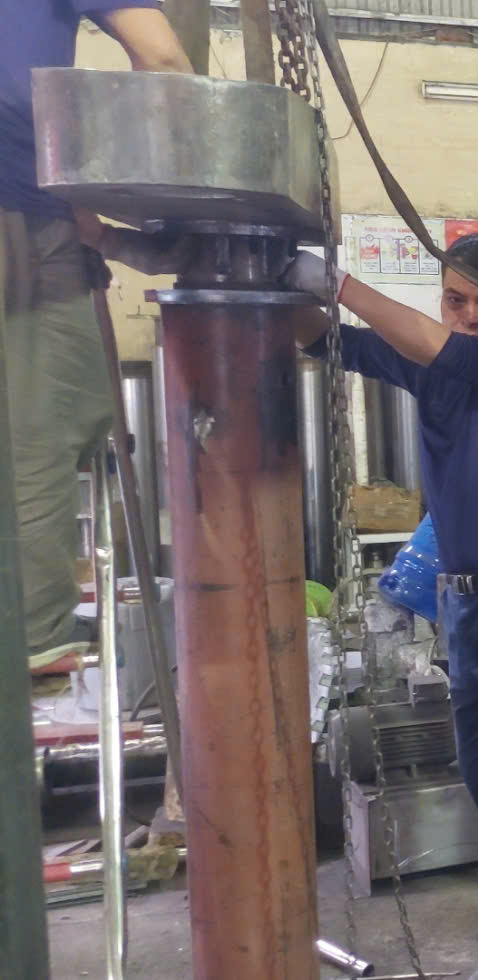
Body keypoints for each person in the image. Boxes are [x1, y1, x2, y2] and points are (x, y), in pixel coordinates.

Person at [287, 234, 478, 980]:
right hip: (464, 601)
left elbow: (443, 350)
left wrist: (339, 283)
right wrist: (273, 277)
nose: (471, 316)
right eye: (455, 300)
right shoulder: (433, 372)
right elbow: (322, 340)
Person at [5, 2, 193, 668]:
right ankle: (33, 638)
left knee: (69, 406)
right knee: (44, 423)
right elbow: (163, 58)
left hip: (39, 202)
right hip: (19, 201)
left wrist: (102, 227)